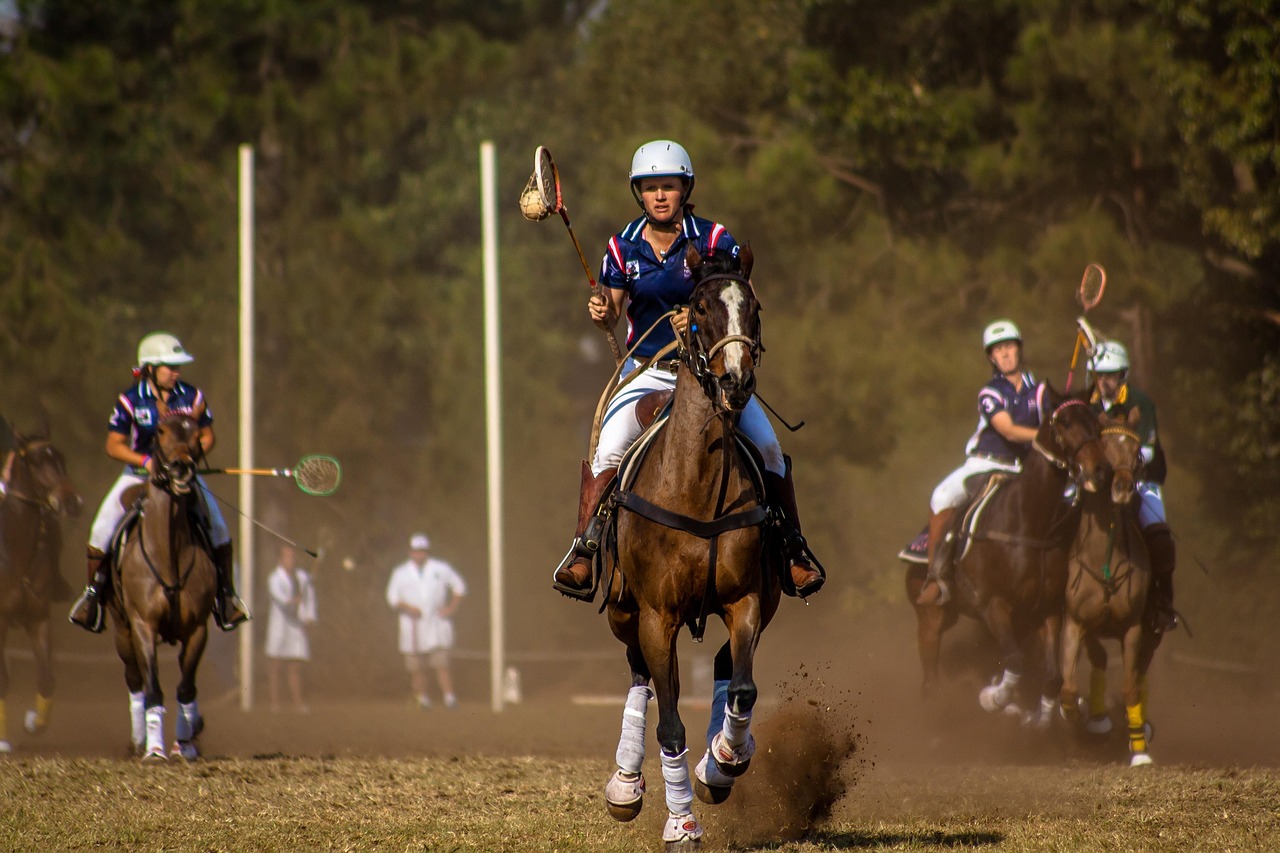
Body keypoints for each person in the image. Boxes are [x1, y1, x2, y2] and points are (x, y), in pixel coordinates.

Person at [552, 139, 823, 600]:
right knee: (609, 450)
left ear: (685, 189)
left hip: (710, 375)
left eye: (669, 186)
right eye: (651, 187)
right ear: (639, 193)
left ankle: (794, 549)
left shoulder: (715, 239)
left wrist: (696, 317)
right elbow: (613, 311)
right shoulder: (622, 247)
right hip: (648, 372)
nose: (660, 195)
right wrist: (600, 311)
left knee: (770, 449)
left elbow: (743, 297)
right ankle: (585, 548)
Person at [69, 331, 250, 632]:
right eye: (170, 366)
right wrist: (146, 461)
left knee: (218, 525)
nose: (176, 372)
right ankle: (92, 598)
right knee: (100, 529)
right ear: (150, 367)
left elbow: (208, 436)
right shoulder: (130, 400)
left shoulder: (192, 396)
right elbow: (113, 445)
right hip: (137, 476)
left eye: (177, 366)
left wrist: (189, 457)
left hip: (183, 474)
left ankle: (226, 597)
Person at [915, 319, 1043, 606]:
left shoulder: (1040, 391)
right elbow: (1007, 429)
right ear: (991, 358)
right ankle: (936, 576)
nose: (1006, 354)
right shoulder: (990, 392)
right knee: (941, 496)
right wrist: (1045, 435)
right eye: (998, 350)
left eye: (1010, 346)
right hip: (984, 465)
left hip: (1023, 469)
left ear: (1019, 350)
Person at [1089, 340, 1177, 633]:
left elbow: (1148, 450)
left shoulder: (1141, 402)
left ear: (1123, 375)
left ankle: (1162, 603)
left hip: (1141, 478)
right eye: (1100, 374)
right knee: (1061, 517)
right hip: (1098, 481)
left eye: (1111, 374)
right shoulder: (1087, 404)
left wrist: (1118, 461)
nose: (1105, 381)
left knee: (1159, 533)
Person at [385, 533, 466, 709]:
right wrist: (408, 608)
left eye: (422, 551)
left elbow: (459, 587)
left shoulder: (441, 568)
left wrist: (451, 608)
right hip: (412, 625)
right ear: (410, 552)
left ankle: (449, 697)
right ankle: (423, 698)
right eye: (416, 551)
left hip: (436, 624)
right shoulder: (400, 573)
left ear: (427, 552)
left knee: (441, 664)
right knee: (416, 666)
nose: (419, 554)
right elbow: (392, 598)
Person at [265, 544, 317, 712]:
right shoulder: (274, 578)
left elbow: (310, 597)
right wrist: (293, 600)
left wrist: (309, 617)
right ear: (281, 559)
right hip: (279, 627)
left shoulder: (302, 577)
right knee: (276, 665)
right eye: (288, 556)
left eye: (293, 556)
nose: (292, 560)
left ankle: (298, 703)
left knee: (295, 665)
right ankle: (275, 704)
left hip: (297, 627)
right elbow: (280, 598)